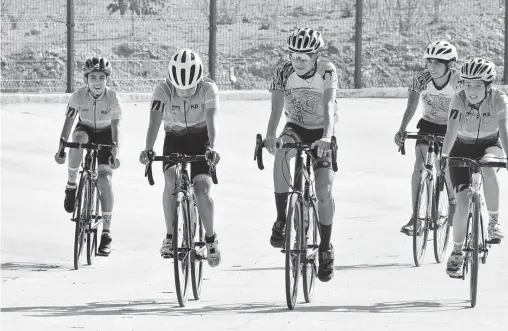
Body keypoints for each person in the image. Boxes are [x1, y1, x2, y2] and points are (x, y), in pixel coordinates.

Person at [263, 28, 339, 282]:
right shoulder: (282, 71)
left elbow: (329, 105)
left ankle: (326, 248)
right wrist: (270, 136)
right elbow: (275, 110)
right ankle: (281, 218)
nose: (298, 61)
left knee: (324, 191)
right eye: (294, 55)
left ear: (315, 56)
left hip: (321, 131)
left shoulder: (327, 70)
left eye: (304, 57)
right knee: (282, 154)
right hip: (295, 126)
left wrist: (327, 137)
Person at [139, 48, 221, 267]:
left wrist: (213, 148)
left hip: (201, 138)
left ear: (200, 79)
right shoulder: (162, 89)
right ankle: (169, 236)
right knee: (170, 181)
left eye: (190, 88)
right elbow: (154, 121)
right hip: (174, 137)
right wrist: (148, 148)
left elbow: (212, 120)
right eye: (179, 88)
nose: (184, 92)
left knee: (202, 191)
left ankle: (210, 239)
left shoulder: (208, 88)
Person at [441, 58, 508, 278]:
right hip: (460, 148)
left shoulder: (499, 98)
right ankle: (458, 251)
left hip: (490, 145)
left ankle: (494, 222)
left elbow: (504, 129)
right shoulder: (458, 99)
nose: (472, 90)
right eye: (467, 85)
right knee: (462, 204)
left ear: (488, 86)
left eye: (478, 85)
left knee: (488, 167)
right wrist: (444, 156)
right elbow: (451, 131)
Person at [54, 57, 122, 257]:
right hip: (85, 128)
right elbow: (68, 122)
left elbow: (117, 126)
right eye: (93, 77)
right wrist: (61, 147)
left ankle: (107, 233)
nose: (98, 82)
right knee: (78, 139)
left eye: (102, 77)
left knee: (104, 179)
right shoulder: (78, 96)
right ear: (86, 79)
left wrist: (115, 151)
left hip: (106, 133)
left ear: (107, 79)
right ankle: (71, 185)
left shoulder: (113, 98)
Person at [394, 40, 460, 236]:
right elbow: (411, 107)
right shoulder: (420, 79)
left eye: (437, 63)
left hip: (452, 126)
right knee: (419, 169)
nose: (432, 67)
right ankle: (416, 217)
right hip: (429, 124)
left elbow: (467, 106)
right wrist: (402, 130)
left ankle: (452, 203)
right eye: (429, 62)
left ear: (449, 65)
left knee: (446, 166)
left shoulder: (458, 81)